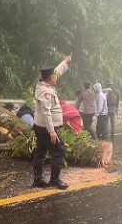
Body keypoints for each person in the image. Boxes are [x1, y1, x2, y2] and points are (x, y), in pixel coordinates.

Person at [32, 53, 73, 189]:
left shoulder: (45, 84)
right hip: (47, 128)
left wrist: (65, 61)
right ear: (50, 78)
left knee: (41, 152)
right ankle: (54, 180)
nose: (57, 77)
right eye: (54, 76)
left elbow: (56, 71)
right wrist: (52, 131)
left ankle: (38, 180)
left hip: (41, 127)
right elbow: (45, 112)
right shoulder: (45, 92)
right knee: (59, 151)